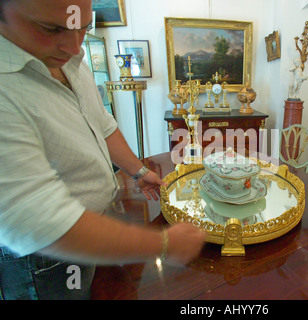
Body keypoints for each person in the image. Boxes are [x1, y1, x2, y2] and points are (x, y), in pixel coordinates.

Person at [0, 0, 205, 300]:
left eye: (83, 27)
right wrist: (164, 245)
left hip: (92, 229)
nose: (73, 46)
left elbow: (102, 124)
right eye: (50, 28)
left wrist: (139, 171)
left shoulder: (72, 63)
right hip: (44, 261)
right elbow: (39, 222)